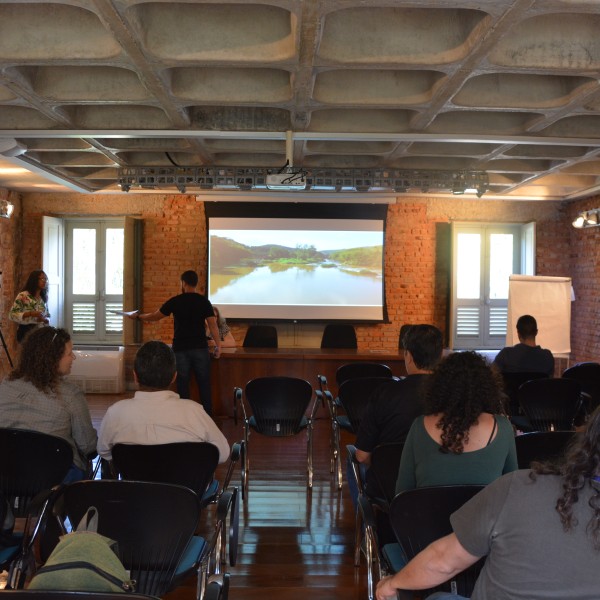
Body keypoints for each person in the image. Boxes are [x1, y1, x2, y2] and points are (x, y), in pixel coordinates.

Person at [376, 405, 600, 600]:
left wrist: (392, 583)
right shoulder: (503, 435)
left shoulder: (517, 487)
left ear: (587, 440)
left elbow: (444, 561)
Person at [396, 351, 517, 494]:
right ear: (487, 388)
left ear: (439, 386)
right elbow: (512, 490)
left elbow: (402, 492)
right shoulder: (502, 427)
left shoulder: (419, 426)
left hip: (429, 516)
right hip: (485, 516)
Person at [97, 340, 230, 463]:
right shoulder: (194, 411)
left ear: (135, 377)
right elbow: (222, 454)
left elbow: (103, 451)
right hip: (184, 488)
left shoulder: (116, 412)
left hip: (136, 488)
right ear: (174, 377)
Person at [354, 324, 443, 498]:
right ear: (440, 355)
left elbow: (362, 456)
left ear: (408, 356)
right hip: (437, 487)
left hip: (388, 488)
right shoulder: (451, 394)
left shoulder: (384, 394)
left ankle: (368, 519)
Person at [0, 327, 97, 482]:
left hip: (8, 475)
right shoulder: (70, 395)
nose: (74, 357)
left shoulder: (6, 385)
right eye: (69, 353)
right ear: (53, 358)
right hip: (53, 479)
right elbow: (88, 446)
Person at [129, 270, 221, 415]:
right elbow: (213, 325)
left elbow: (155, 316)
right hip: (200, 348)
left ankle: (183, 415)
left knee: (182, 384)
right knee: (204, 383)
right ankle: (207, 417)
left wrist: (138, 317)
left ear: (183, 283)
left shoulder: (176, 301)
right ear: (196, 283)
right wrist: (218, 345)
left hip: (181, 349)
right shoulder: (204, 301)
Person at [9, 269, 51, 342]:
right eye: (42, 278)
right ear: (34, 280)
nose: (44, 281)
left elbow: (47, 315)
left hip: (41, 332)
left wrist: (45, 320)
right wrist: (30, 314)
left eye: (46, 279)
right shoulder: (23, 295)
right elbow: (12, 315)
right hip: (26, 330)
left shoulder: (44, 298)